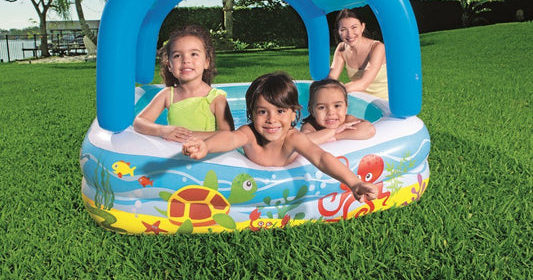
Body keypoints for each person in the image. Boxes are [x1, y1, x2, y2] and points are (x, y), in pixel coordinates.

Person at [182, 72, 378, 203]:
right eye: (262, 112)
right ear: (251, 114)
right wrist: (206, 146)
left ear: (294, 114)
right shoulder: (249, 134)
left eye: (280, 111)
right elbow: (230, 139)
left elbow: (320, 157)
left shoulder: (293, 138)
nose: (271, 120)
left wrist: (354, 182)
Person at [133, 25, 234, 142]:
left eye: (194, 54)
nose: (186, 60)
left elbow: (229, 135)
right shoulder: (167, 95)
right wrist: (162, 130)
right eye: (177, 56)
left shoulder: (216, 99)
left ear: (206, 62)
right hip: (174, 152)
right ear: (169, 65)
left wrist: (186, 135)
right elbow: (139, 122)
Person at [328, 9, 388, 100]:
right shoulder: (342, 48)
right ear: (338, 32)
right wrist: (329, 85)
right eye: (343, 29)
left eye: (354, 27)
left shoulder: (377, 47)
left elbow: (364, 83)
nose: (350, 34)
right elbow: (331, 77)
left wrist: (340, 89)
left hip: (384, 102)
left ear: (362, 27)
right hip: (360, 101)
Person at [301, 79, 375, 144]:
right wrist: (334, 131)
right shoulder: (311, 126)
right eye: (322, 107)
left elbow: (369, 129)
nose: (330, 112)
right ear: (312, 111)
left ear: (346, 108)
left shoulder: (347, 120)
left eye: (337, 106)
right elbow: (302, 142)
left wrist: (336, 136)